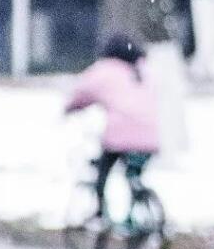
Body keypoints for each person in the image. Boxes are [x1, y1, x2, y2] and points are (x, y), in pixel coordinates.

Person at [65, 34, 161, 218]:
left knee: (102, 172)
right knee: (133, 175)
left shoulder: (105, 70)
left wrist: (69, 109)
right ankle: (135, 212)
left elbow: (82, 93)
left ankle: (100, 212)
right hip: (151, 137)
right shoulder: (146, 70)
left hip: (121, 138)